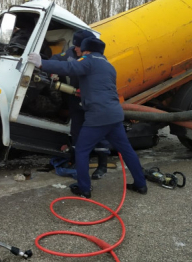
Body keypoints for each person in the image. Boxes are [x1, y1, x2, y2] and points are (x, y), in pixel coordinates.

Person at [28, 37, 147, 198]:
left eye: (80, 49)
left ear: (87, 50)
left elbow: (70, 67)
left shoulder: (88, 60)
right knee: (127, 150)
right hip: (115, 115)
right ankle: (141, 185)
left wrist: (42, 63)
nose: (77, 50)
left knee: (82, 150)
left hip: (98, 116)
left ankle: (84, 189)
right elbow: (100, 87)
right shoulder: (109, 66)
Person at [50, 30, 110, 179]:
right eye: (75, 45)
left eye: (78, 45)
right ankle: (78, 162)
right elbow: (57, 59)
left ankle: (102, 166)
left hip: (92, 103)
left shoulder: (97, 59)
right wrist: (51, 70)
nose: (75, 48)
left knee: (99, 134)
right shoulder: (70, 54)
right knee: (76, 133)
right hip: (75, 102)